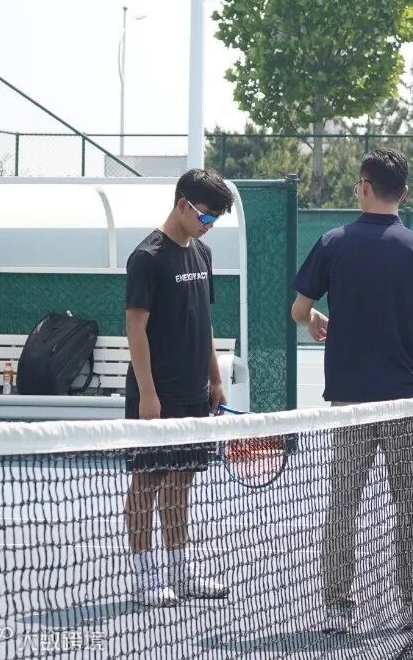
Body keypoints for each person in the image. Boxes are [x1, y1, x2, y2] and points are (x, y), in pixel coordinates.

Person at [291, 147, 413, 631]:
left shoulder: (332, 242)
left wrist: (316, 317)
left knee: (344, 503)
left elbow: (299, 311)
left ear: (363, 187)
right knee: (411, 504)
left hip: (348, 398)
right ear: (404, 193)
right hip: (405, 397)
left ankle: (337, 608)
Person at [124, 168, 235, 607]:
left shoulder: (202, 254)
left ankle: (179, 571)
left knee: (181, 481)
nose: (209, 226)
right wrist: (148, 393)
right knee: (147, 481)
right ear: (183, 204)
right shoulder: (147, 257)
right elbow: (136, 329)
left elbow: (203, 322)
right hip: (156, 393)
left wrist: (215, 378)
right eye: (206, 216)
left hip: (193, 392)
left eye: (215, 220)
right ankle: (145, 577)